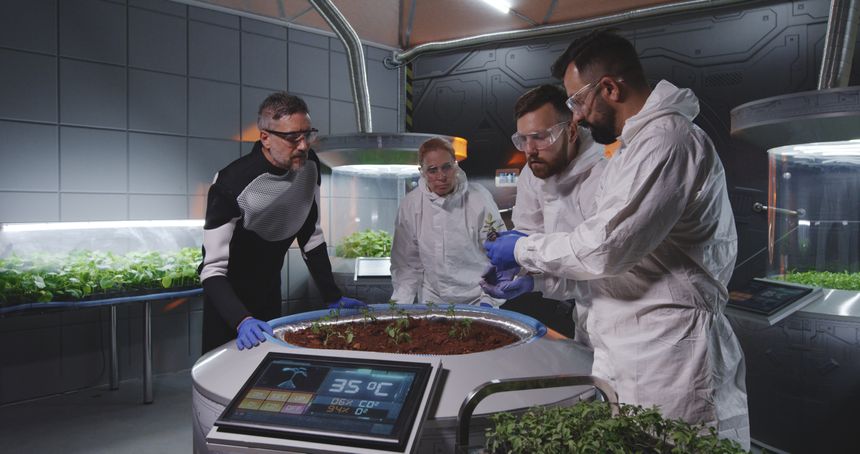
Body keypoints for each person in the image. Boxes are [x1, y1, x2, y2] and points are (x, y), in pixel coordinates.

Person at [483, 30, 750, 447]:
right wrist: (537, 280)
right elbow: (617, 270)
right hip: (627, 348)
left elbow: (603, 249)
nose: (577, 116)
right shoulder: (635, 147)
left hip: (668, 357)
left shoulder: (667, 141)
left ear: (609, 88)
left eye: (577, 101)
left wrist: (520, 248)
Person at [198, 92, 362, 352]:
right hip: (228, 305)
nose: (303, 146)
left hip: (269, 291)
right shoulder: (231, 183)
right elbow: (212, 270)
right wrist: (242, 320)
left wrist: (332, 296)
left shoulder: (310, 166)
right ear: (265, 137)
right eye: (293, 137)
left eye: (307, 134)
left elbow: (311, 235)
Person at [481, 84, 606, 345]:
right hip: (586, 316)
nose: (530, 150)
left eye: (539, 137)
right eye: (522, 139)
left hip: (631, 318)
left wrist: (521, 250)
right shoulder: (533, 172)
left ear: (571, 131)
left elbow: (599, 263)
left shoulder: (604, 173)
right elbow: (529, 236)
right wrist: (522, 272)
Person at [390, 137, 505, 306]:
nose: (441, 176)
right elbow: (407, 265)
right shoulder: (411, 205)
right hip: (432, 300)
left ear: (455, 165)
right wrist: (399, 306)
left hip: (478, 297)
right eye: (432, 170)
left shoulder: (479, 199)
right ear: (422, 171)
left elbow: (499, 255)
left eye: (446, 167)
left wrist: (489, 300)